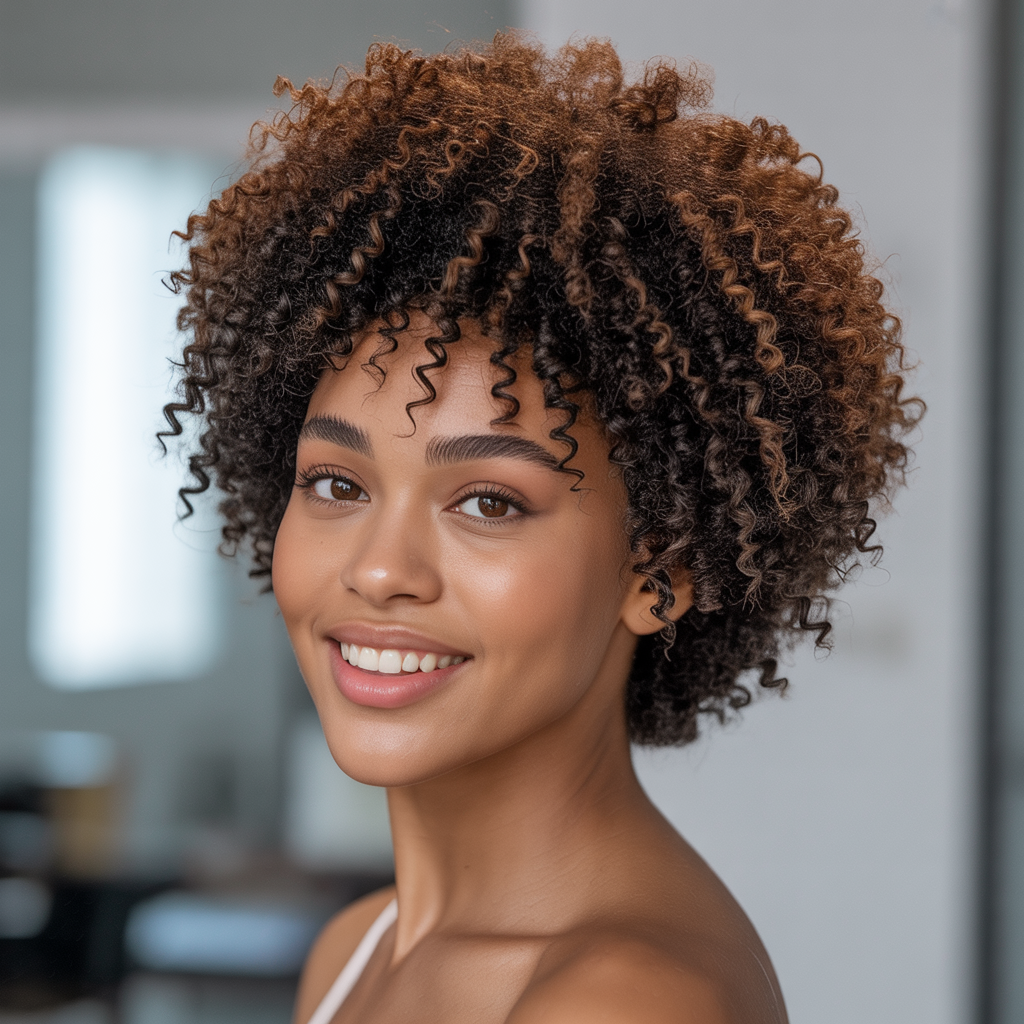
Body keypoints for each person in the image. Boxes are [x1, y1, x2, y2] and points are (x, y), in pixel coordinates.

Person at [163, 33, 920, 1023]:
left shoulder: (624, 1000)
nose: (382, 569)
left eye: (488, 502)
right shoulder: (356, 951)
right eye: (338, 484)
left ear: (662, 563)